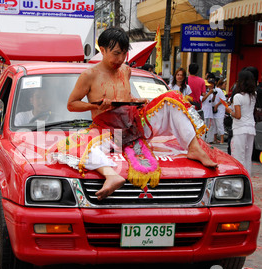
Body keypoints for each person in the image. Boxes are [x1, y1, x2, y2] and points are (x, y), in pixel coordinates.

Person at [62, 27, 217, 200]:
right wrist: (94, 106)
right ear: (103, 50)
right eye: (116, 53)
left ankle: (194, 148)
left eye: (123, 54)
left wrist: (137, 100)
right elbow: (71, 104)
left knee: (172, 97)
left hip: (134, 125)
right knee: (70, 144)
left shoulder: (126, 71)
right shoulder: (89, 75)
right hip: (107, 131)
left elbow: (126, 96)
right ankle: (110, 174)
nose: (120, 59)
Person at [225, 69, 256, 175]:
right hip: (250, 128)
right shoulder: (253, 95)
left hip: (240, 129)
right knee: (248, 157)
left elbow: (237, 115)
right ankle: (248, 179)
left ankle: (239, 179)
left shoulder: (238, 97)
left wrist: (229, 111)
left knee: (238, 157)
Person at [212, 79, 227, 144]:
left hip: (216, 110)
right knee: (220, 124)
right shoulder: (220, 91)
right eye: (225, 84)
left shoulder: (216, 90)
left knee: (215, 124)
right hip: (219, 110)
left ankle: (215, 138)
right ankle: (221, 139)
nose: (225, 86)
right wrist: (217, 105)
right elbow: (223, 100)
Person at [201, 79, 215, 143]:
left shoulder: (207, 93)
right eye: (205, 86)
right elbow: (202, 100)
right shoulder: (200, 93)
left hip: (209, 113)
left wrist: (214, 94)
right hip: (204, 112)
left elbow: (212, 100)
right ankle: (202, 140)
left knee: (210, 126)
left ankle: (209, 140)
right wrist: (209, 93)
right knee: (203, 127)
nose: (206, 87)